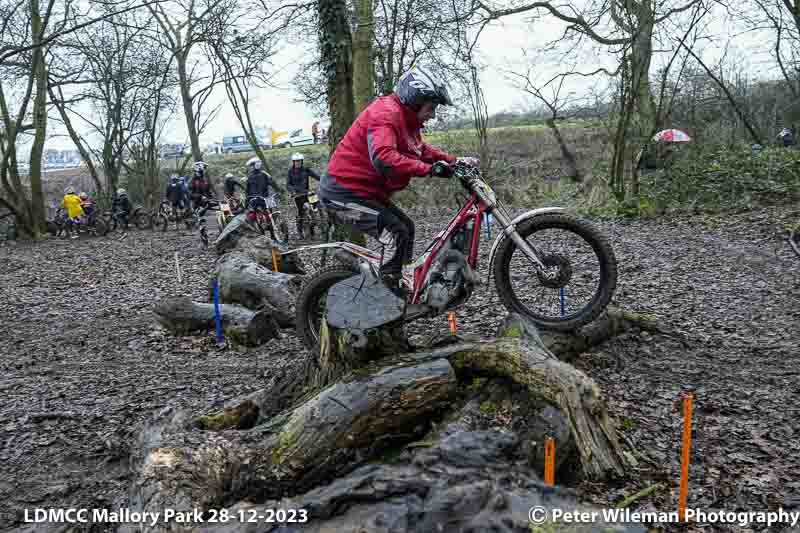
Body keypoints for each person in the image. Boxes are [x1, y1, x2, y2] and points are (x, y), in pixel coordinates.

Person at [318, 65, 478, 298]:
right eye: (431, 107)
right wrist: (429, 170)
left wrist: (455, 161)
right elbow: (384, 157)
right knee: (395, 232)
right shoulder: (386, 115)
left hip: (363, 192)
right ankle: (388, 299)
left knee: (406, 228)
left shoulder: (406, 121)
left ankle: (400, 285)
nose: (433, 114)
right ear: (415, 100)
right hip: (341, 193)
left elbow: (421, 150)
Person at [287, 153, 321, 238]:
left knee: (316, 209)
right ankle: (299, 232)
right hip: (297, 195)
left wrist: (323, 181)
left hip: (308, 193)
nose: (297, 163)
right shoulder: (290, 171)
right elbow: (288, 184)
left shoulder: (306, 169)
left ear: (302, 161)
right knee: (299, 214)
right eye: (296, 161)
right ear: (293, 162)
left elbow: (317, 176)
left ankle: (315, 228)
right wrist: (292, 191)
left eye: (299, 161)